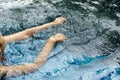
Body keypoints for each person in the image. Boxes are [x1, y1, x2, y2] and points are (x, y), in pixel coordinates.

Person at [0, 17, 66, 78]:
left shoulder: (2, 42)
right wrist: (51, 41)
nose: (4, 37)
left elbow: (25, 34)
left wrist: (54, 23)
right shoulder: (2, 71)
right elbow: (34, 66)